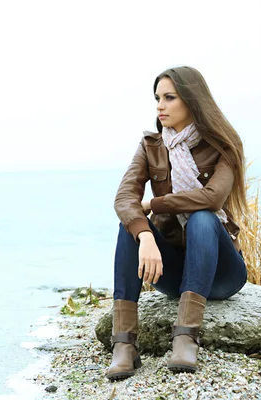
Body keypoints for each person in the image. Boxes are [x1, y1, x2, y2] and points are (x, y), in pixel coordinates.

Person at [107, 66, 248, 381]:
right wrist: (144, 235)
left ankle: (185, 339)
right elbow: (124, 199)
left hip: (223, 273)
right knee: (130, 226)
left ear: (192, 100)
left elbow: (211, 198)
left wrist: (155, 204)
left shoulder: (224, 145)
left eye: (169, 98)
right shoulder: (151, 146)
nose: (160, 106)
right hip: (174, 274)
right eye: (157, 98)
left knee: (202, 217)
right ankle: (124, 346)